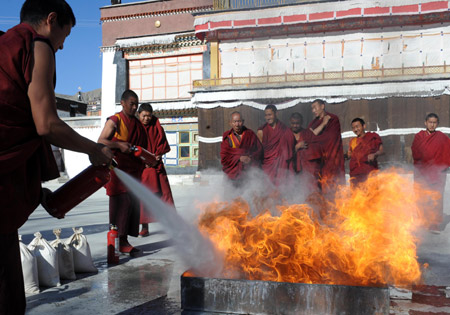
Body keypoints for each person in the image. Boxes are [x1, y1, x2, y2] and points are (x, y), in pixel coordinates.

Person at [0, 1, 113, 313]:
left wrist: (34, 191)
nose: (61, 47)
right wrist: (95, 149)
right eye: (64, 37)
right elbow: (46, 124)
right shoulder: (37, 46)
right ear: (51, 21)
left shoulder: (5, 46)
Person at [98, 90, 148, 255]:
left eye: (136, 104)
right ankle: (119, 240)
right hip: (118, 169)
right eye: (131, 104)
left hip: (133, 169)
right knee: (121, 204)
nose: (134, 107)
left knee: (132, 204)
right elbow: (101, 141)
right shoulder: (115, 120)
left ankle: (125, 239)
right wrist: (119, 145)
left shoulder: (137, 124)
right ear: (123, 103)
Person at [137, 103, 175, 237]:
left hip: (157, 164)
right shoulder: (135, 126)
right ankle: (144, 226)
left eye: (149, 116)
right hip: (142, 167)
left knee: (165, 195)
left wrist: (158, 154)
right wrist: (143, 160)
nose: (147, 119)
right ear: (139, 114)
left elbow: (163, 143)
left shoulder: (156, 125)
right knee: (145, 197)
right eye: (144, 116)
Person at [411, 113, 450, 231]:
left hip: (437, 173)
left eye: (434, 123)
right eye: (430, 122)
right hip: (422, 171)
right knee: (421, 197)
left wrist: (441, 166)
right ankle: (423, 221)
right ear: (425, 123)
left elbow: (447, 153)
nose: (432, 125)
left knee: (436, 198)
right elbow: (415, 152)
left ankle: (435, 223)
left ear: (437, 124)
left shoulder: (442, 137)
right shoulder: (419, 136)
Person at [307, 99, 345, 195]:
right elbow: (310, 138)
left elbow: (330, 139)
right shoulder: (312, 124)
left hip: (331, 159)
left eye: (315, 107)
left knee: (332, 187)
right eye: (312, 108)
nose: (313, 110)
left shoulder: (333, 119)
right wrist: (323, 124)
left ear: (322, 106)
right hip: (318, 161)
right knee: (319, 188)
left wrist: (315, 135)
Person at [220, 111, 263, 185]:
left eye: (239, 121)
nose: (237, 125)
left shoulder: (250, 134)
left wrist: (251, 158)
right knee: (233, 195)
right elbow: (224, 157)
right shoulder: (228, 137)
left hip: (249, 174)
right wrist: (238, 158)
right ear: (230, 123)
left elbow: (259, 151)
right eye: (234, 122)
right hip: (233, 174)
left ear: (243, 122)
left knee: (247, 195)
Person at [257, 105, 294, 186]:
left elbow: (290, 148)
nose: (267, 118)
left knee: (281, 188)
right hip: (268, 164)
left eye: (270, 115)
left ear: (276, 113)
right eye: (266, 115)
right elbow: (259, 151)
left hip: (282, 164)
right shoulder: (261, 131)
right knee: (268, 188)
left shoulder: (285, 129)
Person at [346, 118, 383, 187]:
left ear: (364, 126)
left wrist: (374, 154)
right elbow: (350, 155)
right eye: (353, 128)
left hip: (369, 173)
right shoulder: (352, 141)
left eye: (357, 126)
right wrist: (344, 156)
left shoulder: (372, 137)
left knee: (372, 196)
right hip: (356, 175)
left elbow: (381, 151)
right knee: (357, 196)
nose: (355, 129)